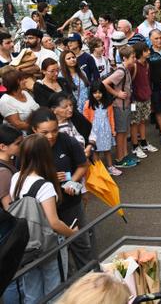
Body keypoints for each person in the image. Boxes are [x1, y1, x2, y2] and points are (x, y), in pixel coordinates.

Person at [8, 133, 78, 304]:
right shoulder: (44, 186)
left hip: (26, 243)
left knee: (32, 291)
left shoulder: (16, 178)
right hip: (47, 244)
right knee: (55, 288)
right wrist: (71, 232)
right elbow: (53, 222)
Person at [29, 109, 91, 270]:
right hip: (44, 210)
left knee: (81, 244)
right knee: (53, 252)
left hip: (70, 204)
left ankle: (91, 277)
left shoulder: (67, 141)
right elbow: (23, 177)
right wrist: (49, 179)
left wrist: (72, 181)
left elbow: (83, 164)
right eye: (45, 132)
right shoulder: (28, 149)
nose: (51, 136)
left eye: (54, 130)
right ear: (34, 130)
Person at [103, 45, 135, 167]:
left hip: (125, 105)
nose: (134, 59)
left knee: (124, 131)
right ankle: (119, 158)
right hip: (119, 106)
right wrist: (117, 93)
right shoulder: (120, 71)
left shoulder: (126, 69)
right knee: (121, 132)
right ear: (124, 58)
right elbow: (104, 83)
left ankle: (125, 154)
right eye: (132, 57)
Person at [83, 80, 118, 175]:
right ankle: (98, 169)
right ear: (91, 93)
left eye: (100, 92)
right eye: (95, 93)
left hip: (105, 130)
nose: (97, 95)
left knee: (107, 150)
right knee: (95, 151)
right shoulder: (88, 104)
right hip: (94, 131)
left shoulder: (108, 104)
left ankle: (110, 167)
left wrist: (113, 129)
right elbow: (85, 118)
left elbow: (111, 117)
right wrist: (87, 132)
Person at [128, 42, 157, 158]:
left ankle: (144, 142)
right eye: (146, 50)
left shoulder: (147, 64)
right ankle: (135, 146)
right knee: (134, 122)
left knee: (143, 120)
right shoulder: (133, 66)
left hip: (146, 97)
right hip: (135, 99)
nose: (149, 52)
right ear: (140, 53)